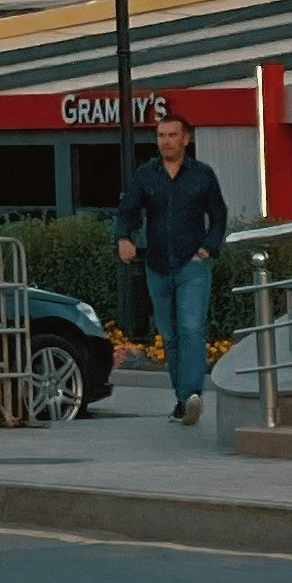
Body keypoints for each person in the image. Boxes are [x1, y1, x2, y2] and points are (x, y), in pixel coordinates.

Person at [116, 110, 227, 425]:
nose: (165, 141)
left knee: (191, 329)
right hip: (158, 267)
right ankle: (182, 398)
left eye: (172, 135)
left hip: (192, 266)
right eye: (161, 136)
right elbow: (128, 210)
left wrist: (207, 249)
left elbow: (218, 215)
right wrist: (124, 237)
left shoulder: (203, 174)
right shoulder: (146, 174)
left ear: (185, 139)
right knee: (171, 335)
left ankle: (191, 395)